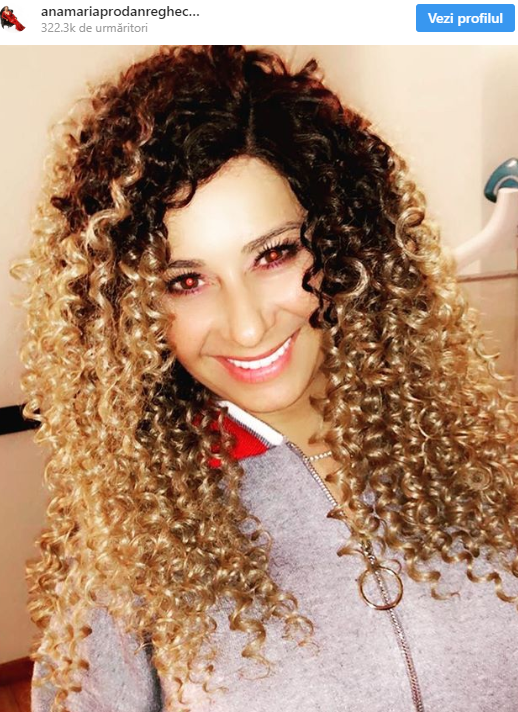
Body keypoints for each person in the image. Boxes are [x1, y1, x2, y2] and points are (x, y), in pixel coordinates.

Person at [10, 45, 518, 712]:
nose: (247, 327)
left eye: (274, 254)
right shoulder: (128, 536)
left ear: (343, 243)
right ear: (130, 310)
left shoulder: (480, 453)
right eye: (186, 281)